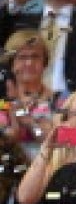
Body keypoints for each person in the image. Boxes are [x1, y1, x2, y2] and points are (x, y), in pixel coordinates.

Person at [0, 30, 59, 159]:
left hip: (50, 168)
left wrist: (29, 121)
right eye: (22, 57)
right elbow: (7, 137)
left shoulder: (61, 100)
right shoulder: (2, 103)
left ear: (45, 63)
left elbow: (75, 138)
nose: (29, 63)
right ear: (11, 63)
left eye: (35, 57)